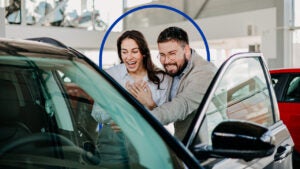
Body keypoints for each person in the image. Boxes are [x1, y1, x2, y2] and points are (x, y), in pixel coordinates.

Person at [91, 30, 171, 167]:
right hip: (113, 141)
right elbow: (96, 112)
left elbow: (166, 119)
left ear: (143, 53)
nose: (129, 57)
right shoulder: (110, 75)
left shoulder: (163, 79)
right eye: (124, 52)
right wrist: (120, 112)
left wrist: (150, 103)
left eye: (134, 51)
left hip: (146, 140)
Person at [127, 26, 217, 141]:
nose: (166, 61)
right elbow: (169, 109)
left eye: (172, 53)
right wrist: (151, 105)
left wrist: (140, 120)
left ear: (187, 51)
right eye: (162, 55)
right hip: (183, 144)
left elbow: (181, 105)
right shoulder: (175, 70)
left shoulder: (205, 72)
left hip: (207, 148)